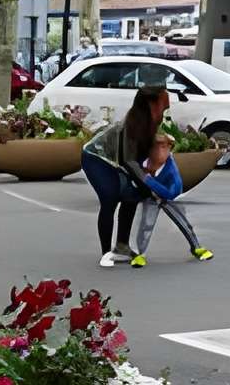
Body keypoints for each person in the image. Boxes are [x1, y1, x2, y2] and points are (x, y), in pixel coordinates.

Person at [79, 84, 168, 269]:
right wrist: (146, 184)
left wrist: (151, 184)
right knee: (110, 197)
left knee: (131, 196)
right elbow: (129, 160)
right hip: (97, 158)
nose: (165, 110)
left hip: (117, 161)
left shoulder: (153, 123)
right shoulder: (135, 123)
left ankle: (122, 246)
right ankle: (106, 253)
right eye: (163, 105)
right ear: (151, 104)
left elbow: (141, 159)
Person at [135, 134, 212, 262]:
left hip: (169, 199)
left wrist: (149, 182)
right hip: (150, 198)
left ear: (169, 149)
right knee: (146, 225)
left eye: (164, 148)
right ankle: (139, 253)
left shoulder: (171, 170)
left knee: (183, 223)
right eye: (156, 148)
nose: (160, 151)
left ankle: (197, 247)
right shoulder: (141, 162)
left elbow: (173, 192)